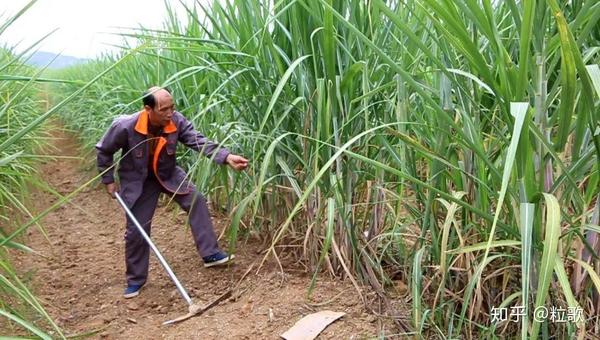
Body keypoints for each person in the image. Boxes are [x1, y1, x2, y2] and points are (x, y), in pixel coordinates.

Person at [96, 87, 248, 298]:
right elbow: (104, 150)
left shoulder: (175, 120)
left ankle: (210, 254)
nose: (169, 113)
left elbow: (197, 140)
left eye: (172, 108)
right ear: (148, 108)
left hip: (168, 173)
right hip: (139, 180)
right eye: (163, 109)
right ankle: (136, 280)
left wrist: (226, 157)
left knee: (196, 200)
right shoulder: (125, 126)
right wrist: (108, 180)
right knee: (137, 228)